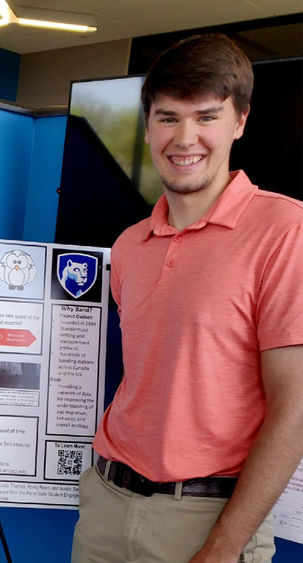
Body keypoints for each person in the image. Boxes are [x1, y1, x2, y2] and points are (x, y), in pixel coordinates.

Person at [72, 34, 303, 562]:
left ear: (239, 122)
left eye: (206, 117)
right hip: (106, 504)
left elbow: (295, 408)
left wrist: (224, 547)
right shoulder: (130, 244)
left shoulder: (286, 230)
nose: (185, 137)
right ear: (149, 126)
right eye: (168, 117)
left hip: (206, 522)